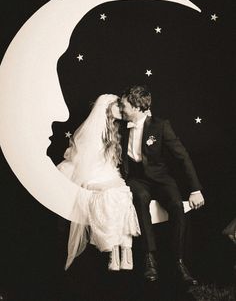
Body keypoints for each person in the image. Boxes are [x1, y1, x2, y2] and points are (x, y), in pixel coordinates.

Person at [119, 85, 205, 284]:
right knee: (139, 198)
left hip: (161, 178)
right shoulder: (121, 126)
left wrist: (195, 189)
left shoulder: (160, 125)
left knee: (176, 206)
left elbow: (182, 157)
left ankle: (179, 262)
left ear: (137, 106)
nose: (122, 109)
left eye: (124, 105)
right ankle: (149, 259)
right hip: (136, 178)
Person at [57, 94, 140, 271]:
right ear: (107, 108)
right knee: (110, 194)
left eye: (121, 106)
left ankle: (126, 250)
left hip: (108, 173)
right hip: (91, 174)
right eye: (117, 106)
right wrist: (93, 183)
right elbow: (87, 163)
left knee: (124, 192)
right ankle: (112, 249)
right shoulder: (95, 130)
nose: (121, 109)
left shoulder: (117, 127)